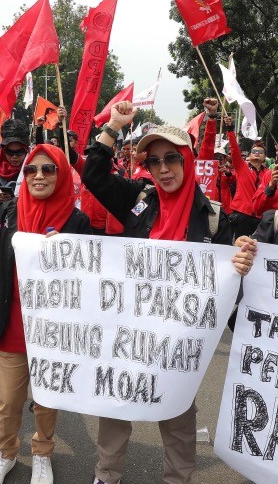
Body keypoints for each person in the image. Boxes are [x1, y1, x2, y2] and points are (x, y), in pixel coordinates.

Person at [82, 101, 231, 484]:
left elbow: (230, 282)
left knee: (178, 412)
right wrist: (113, 126)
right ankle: (106, 474)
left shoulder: (212, 218)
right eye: (154, 162)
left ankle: (177, 478)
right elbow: (94, 176)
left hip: (177, 341)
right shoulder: (139, 201)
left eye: (171, 159)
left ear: (187, 160)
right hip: (129, 331)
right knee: (115, 406)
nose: (163, 169)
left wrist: (242, 262)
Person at [0, 143, 91, 484]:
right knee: (7, 402)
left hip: (53, 331)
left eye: (48, 169)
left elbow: (90, 280)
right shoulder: (6, 214)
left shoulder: (77, 221)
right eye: (30, 170)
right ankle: (5, 454)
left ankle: (42, 454)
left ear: (62, 174)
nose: (38, 176)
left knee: (46, 399)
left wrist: (65, 255)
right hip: (11, 327)